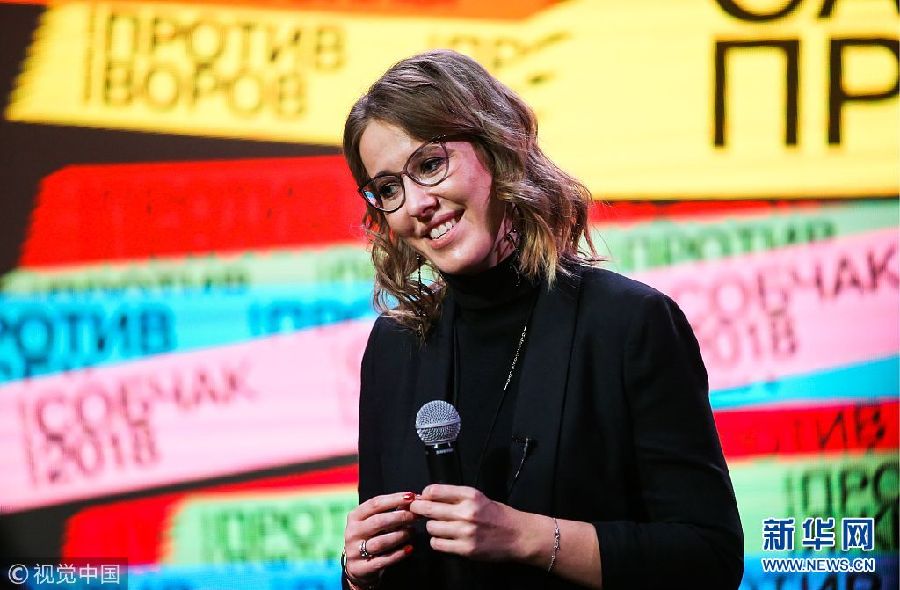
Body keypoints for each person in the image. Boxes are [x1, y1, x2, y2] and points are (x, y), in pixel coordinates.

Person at [339, 49, 743, 590]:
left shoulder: (629, 325)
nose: (416, 204)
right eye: (389, 189)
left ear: (497, 147)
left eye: (430, 165)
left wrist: (524, 536)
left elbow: (709, 558)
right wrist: (359, 572)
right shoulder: (394, 347)